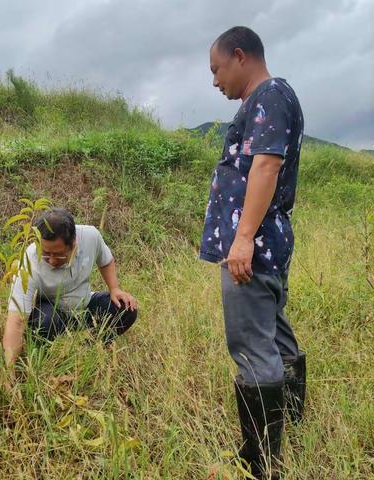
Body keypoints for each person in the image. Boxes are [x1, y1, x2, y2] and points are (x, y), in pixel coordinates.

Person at [199, 26, 306, 479]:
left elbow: (266, 164)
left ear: (239, 56)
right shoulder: (263, 100)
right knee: (274, 332)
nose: (215, 80)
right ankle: (293, 419)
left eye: (217, 69)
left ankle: (260, 461)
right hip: (263, 245)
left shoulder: (270, 96)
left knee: (250, 344)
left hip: (254, 247)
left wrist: (242, 239)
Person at [3, 207, 138, 373]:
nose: (51, 260)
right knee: (43, 322)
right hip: (51, 313)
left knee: (126, 308)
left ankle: (90, 349)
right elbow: (16, 319)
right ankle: (43, 364)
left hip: (84, 305)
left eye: (58, 255)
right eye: (46, 254)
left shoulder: (90, 236)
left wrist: (114, 288)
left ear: (74, 243)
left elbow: (106, 261)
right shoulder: (29, 262)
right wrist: (9, 371)